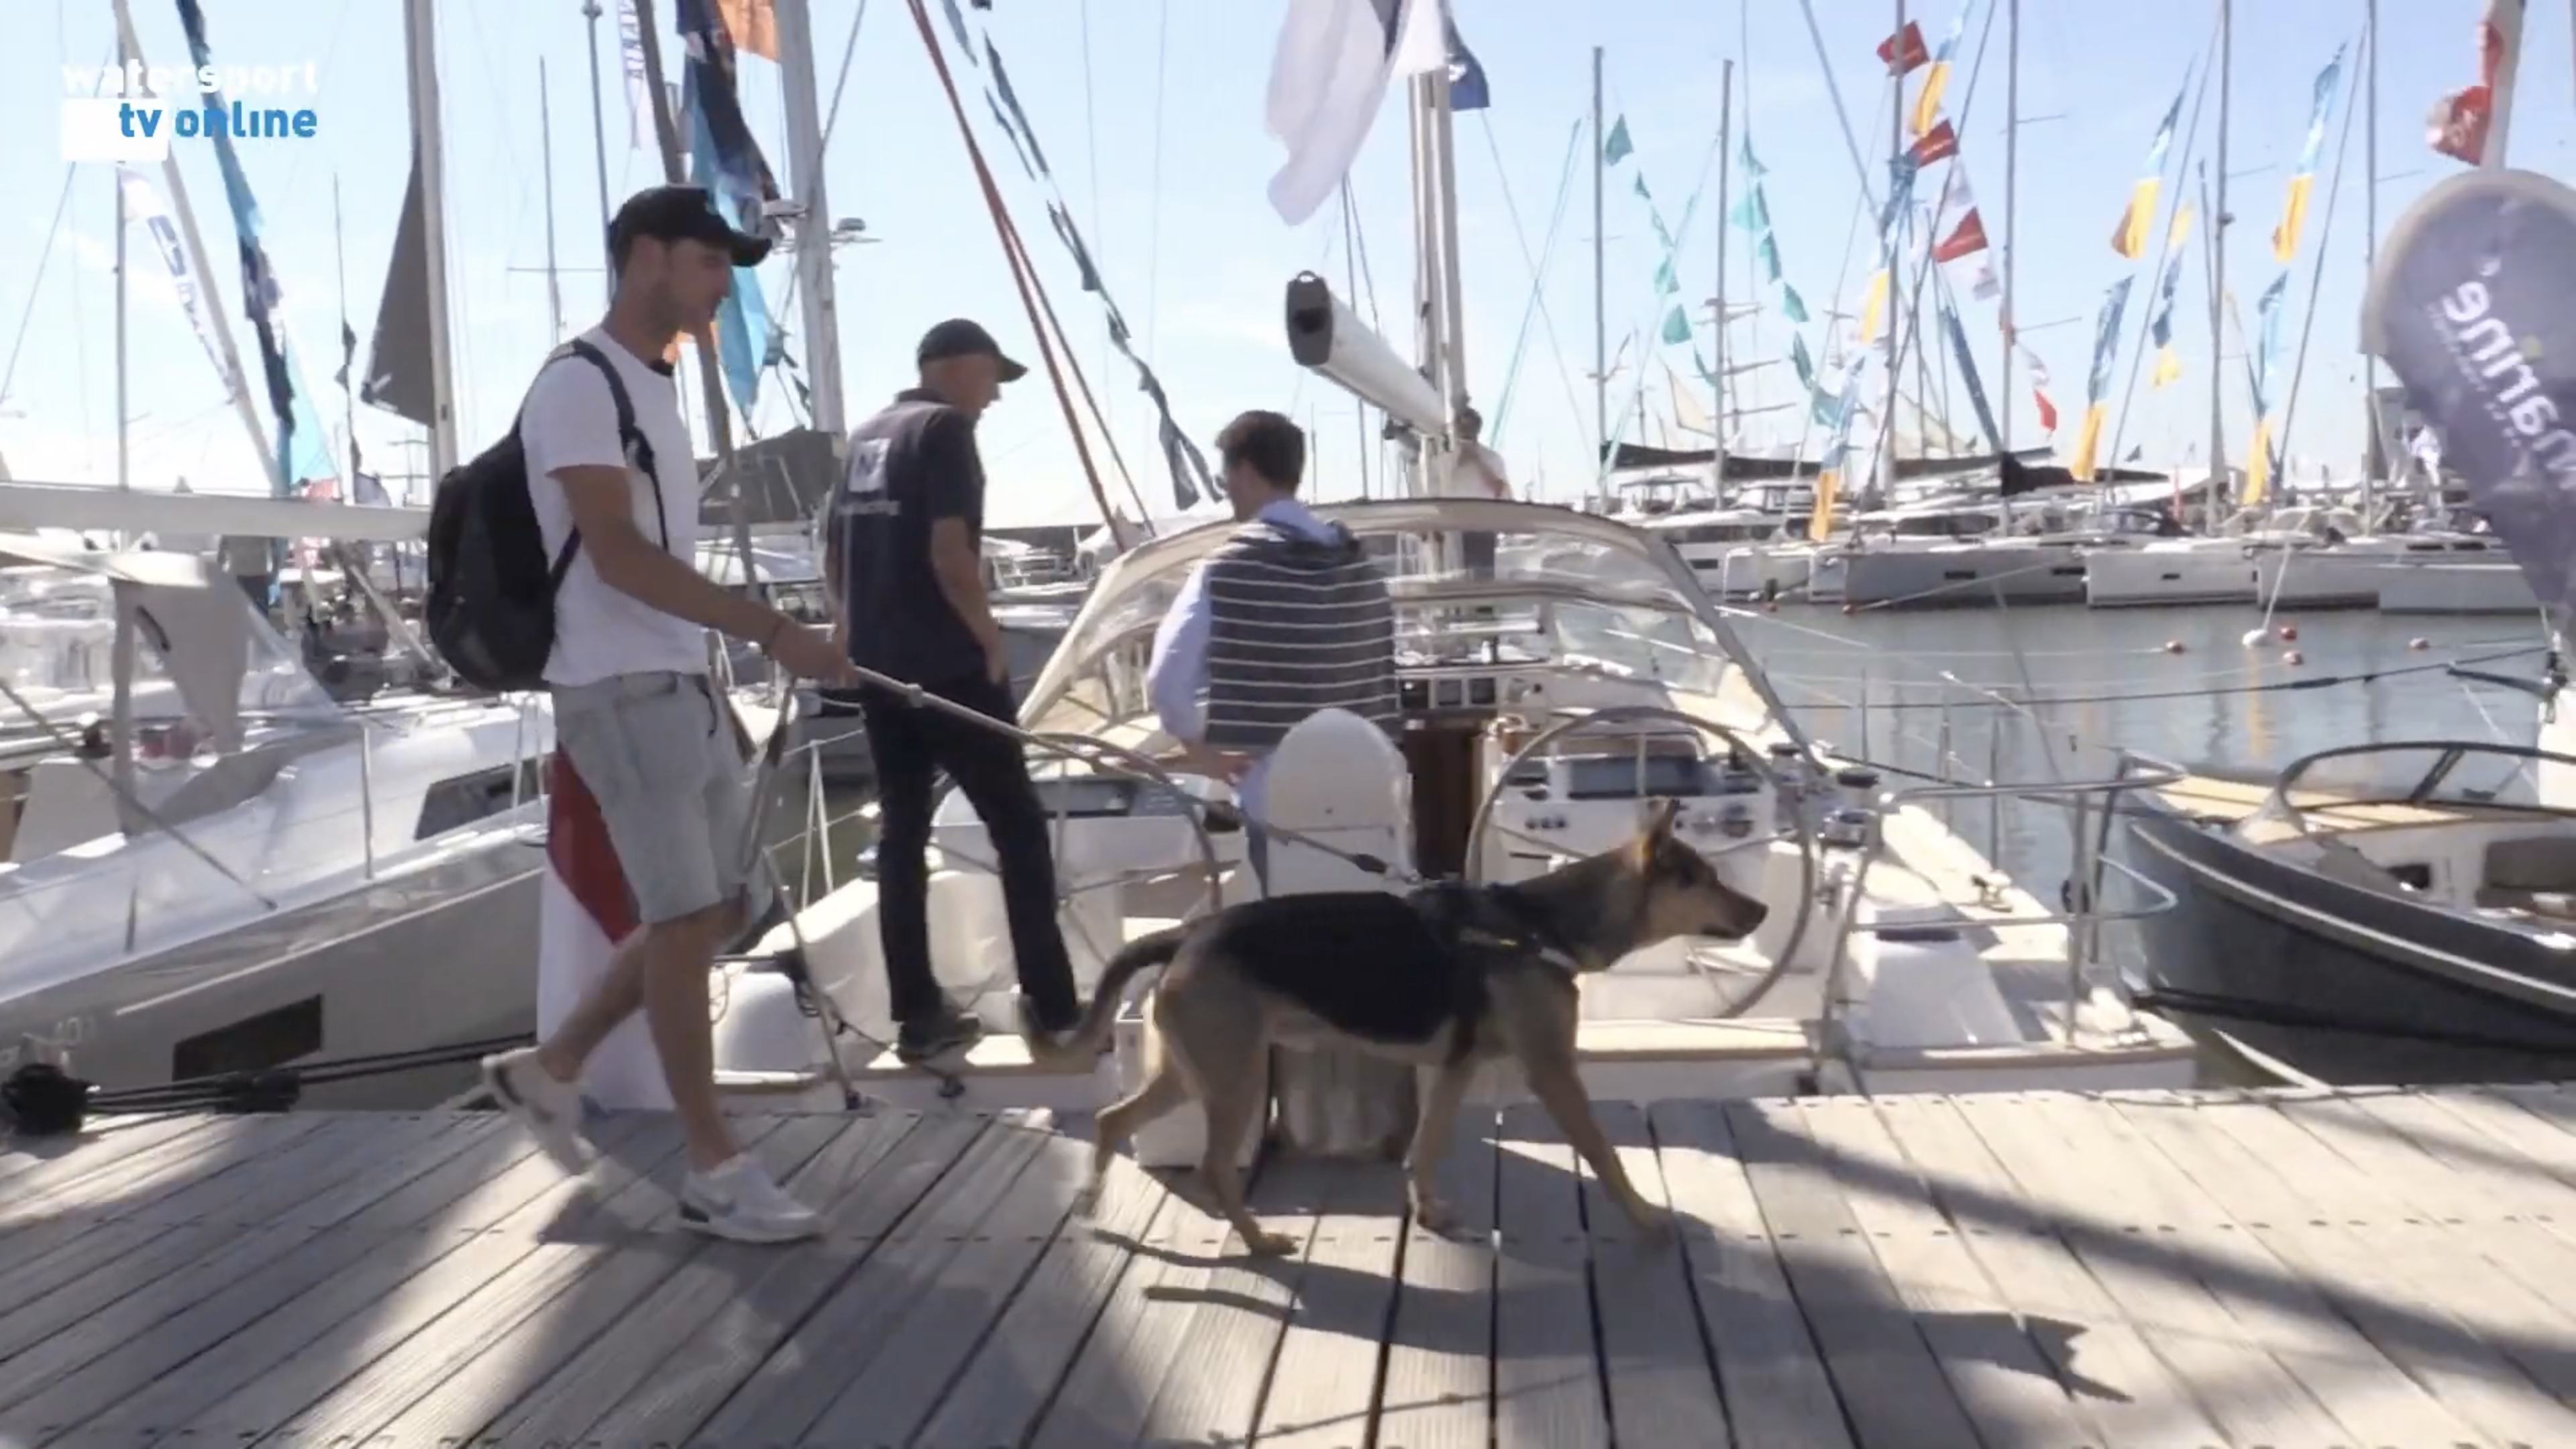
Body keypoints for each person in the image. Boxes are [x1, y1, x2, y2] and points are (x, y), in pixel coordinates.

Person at [478, 184, 856, 1245]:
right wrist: (773, 632)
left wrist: (727, 649)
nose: (722, 282)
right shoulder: (579, 385)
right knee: (687, 922)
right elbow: (615, 552)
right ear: (647, 255)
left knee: (711, 910)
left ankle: (550, 1067)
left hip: (679, 682)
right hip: (620, 687)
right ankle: (714, 1168)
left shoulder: (652, 386)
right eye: (706, 261)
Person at [826, 319, 1084, 1063]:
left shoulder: (869, 435)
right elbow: (951, 553)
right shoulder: (944, 432)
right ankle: (1055, 1006)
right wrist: (990, 639)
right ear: (957, 366)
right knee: (1018, 831)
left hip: (881, 668)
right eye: (992, 376)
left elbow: (834, 551)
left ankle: (919, 1013)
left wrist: (849, 633)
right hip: (949, 667)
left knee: (901, 839)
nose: (996, 395)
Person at [1146, 410, 1399, 888]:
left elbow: (1167, 683)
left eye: (1226, 473)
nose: (1226, 486)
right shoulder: (1362, 569)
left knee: (1291, 938)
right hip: (1369, 790)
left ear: (1243, 470)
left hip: (1278, 797)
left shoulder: (1226, 569)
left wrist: (1205, 756)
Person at [1447, 405, 1509, 581]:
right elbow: (1441, 487)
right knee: (1455, 579)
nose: (1466, 431)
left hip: (1482, 526)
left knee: (1483, 580)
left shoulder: (1492, 459)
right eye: (1463, 427)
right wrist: (1458, 463)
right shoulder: (1446, 460)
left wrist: (1476, 461)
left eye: (1470, 427)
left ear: (1478, 429)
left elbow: (1498, 490)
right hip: (1452, 527)